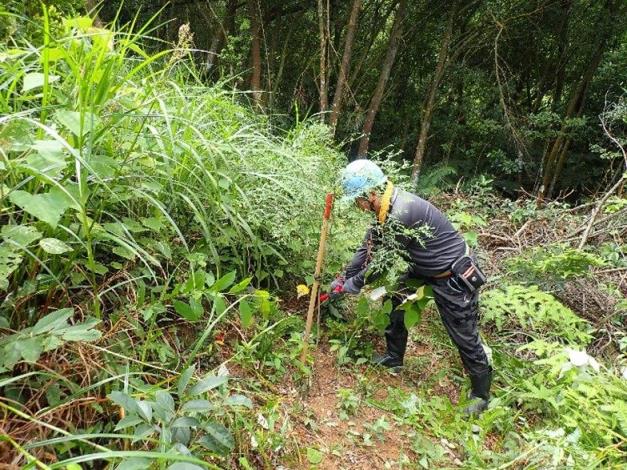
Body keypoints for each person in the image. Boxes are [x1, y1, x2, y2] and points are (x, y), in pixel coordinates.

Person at [330, 159, 492, 416]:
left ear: (370, 193)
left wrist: (354, 284)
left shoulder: (401, 212)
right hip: (423, 267)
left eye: (357, 200)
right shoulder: (386, 207)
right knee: (394, 300)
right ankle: (394, 358)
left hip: (451, 276)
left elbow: (381, 265)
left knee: (464, 335)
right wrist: (344, 277)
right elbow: (368, 247)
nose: (357, 207)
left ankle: (481, 396)